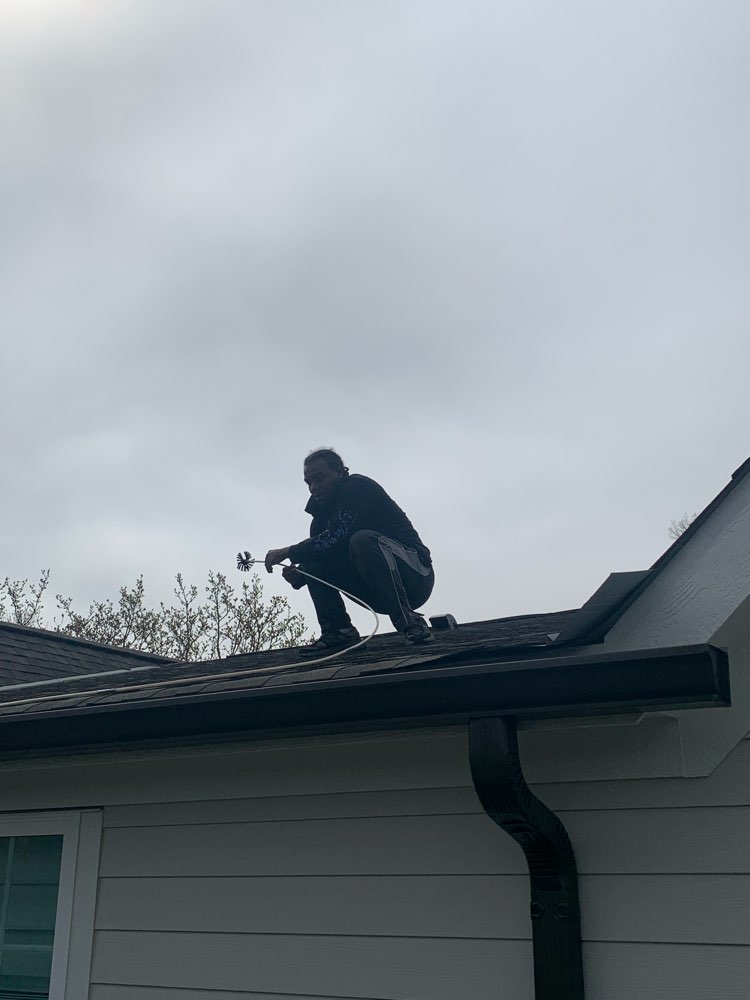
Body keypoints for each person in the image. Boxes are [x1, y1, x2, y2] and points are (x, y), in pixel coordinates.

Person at [265, 448, 435, 655]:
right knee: (313, 555)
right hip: (374, 589)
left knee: (361, 540)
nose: (313, 488)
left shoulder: (358, 488)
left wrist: (289, 551)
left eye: (319, 479)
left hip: (416, 577)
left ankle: (410, 622)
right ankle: (338, 631)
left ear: (339, 472)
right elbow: (323, 550)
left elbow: (337, 536)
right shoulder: (319, 520)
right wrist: (300, 577)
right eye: (308, 483)